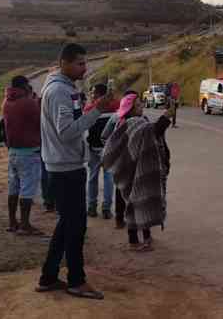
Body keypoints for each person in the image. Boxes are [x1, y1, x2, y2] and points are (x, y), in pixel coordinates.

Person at [36, 43, 110, 300]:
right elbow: (67, 132)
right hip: (65, 168)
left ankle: (48, 276)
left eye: (84, 62)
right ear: (65, 63)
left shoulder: (64, 89)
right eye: (79, 63)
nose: (84, 67)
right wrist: (97, 112)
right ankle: (76, 281)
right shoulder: (58, 91)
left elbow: (68, 124)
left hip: (64, 165)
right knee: (76, 227)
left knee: (66, 223)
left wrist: (91, 110)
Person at [102, 91, 173, 252]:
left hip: (135, 170)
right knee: (135, 205)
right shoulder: (133, 124)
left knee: (141, 202)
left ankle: (146, 237)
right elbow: (154, 131)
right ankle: (134, 241)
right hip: (133, 172)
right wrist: (166, 116)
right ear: (130, 109)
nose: (142, 107)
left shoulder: (132, 122)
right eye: (139, 105)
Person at [2, 75, 44, 235]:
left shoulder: (6, 101)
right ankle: (25, 224)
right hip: (29, 151)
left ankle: (13, 221)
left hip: (13, 151)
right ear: (24, 86)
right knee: (27, 189)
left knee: (13, 188)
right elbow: (40, 123)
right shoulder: (28, 103)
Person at [83, 83, 119, 219]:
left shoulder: (90, 108)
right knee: (108, 178)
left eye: (93, 93)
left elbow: (85, 130)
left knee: (92, 177)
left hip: (94, 148)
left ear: (99, 94)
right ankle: (106, 208)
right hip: (109, 149)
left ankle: (91, 207)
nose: (91, 95)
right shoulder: (116, 106)